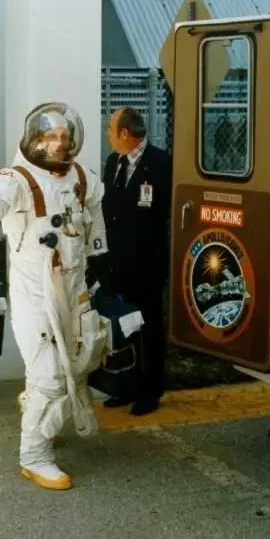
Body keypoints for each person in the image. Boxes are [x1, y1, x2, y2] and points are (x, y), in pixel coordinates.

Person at [0, 102, 111, 491]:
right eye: (51, 137)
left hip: (74, 289)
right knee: (49, 374)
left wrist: (98, 255)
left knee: (78, 362)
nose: (59, 143)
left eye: (64, 136)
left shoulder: (80, 176)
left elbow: (94, 210)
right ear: (34, 140)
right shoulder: (16, 179)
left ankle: (40, 411)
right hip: (34, 294)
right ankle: (34, 456)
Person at [101, 106, 172, 416]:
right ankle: (125, 384)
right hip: (117, 260)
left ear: (125, 133)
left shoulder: (161, 164)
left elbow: (165, 213)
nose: (108, 134)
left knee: (149, 326)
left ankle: (150, 389)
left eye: (110, 129)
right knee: (121, 324)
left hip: (146, 262)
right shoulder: (113, 162)